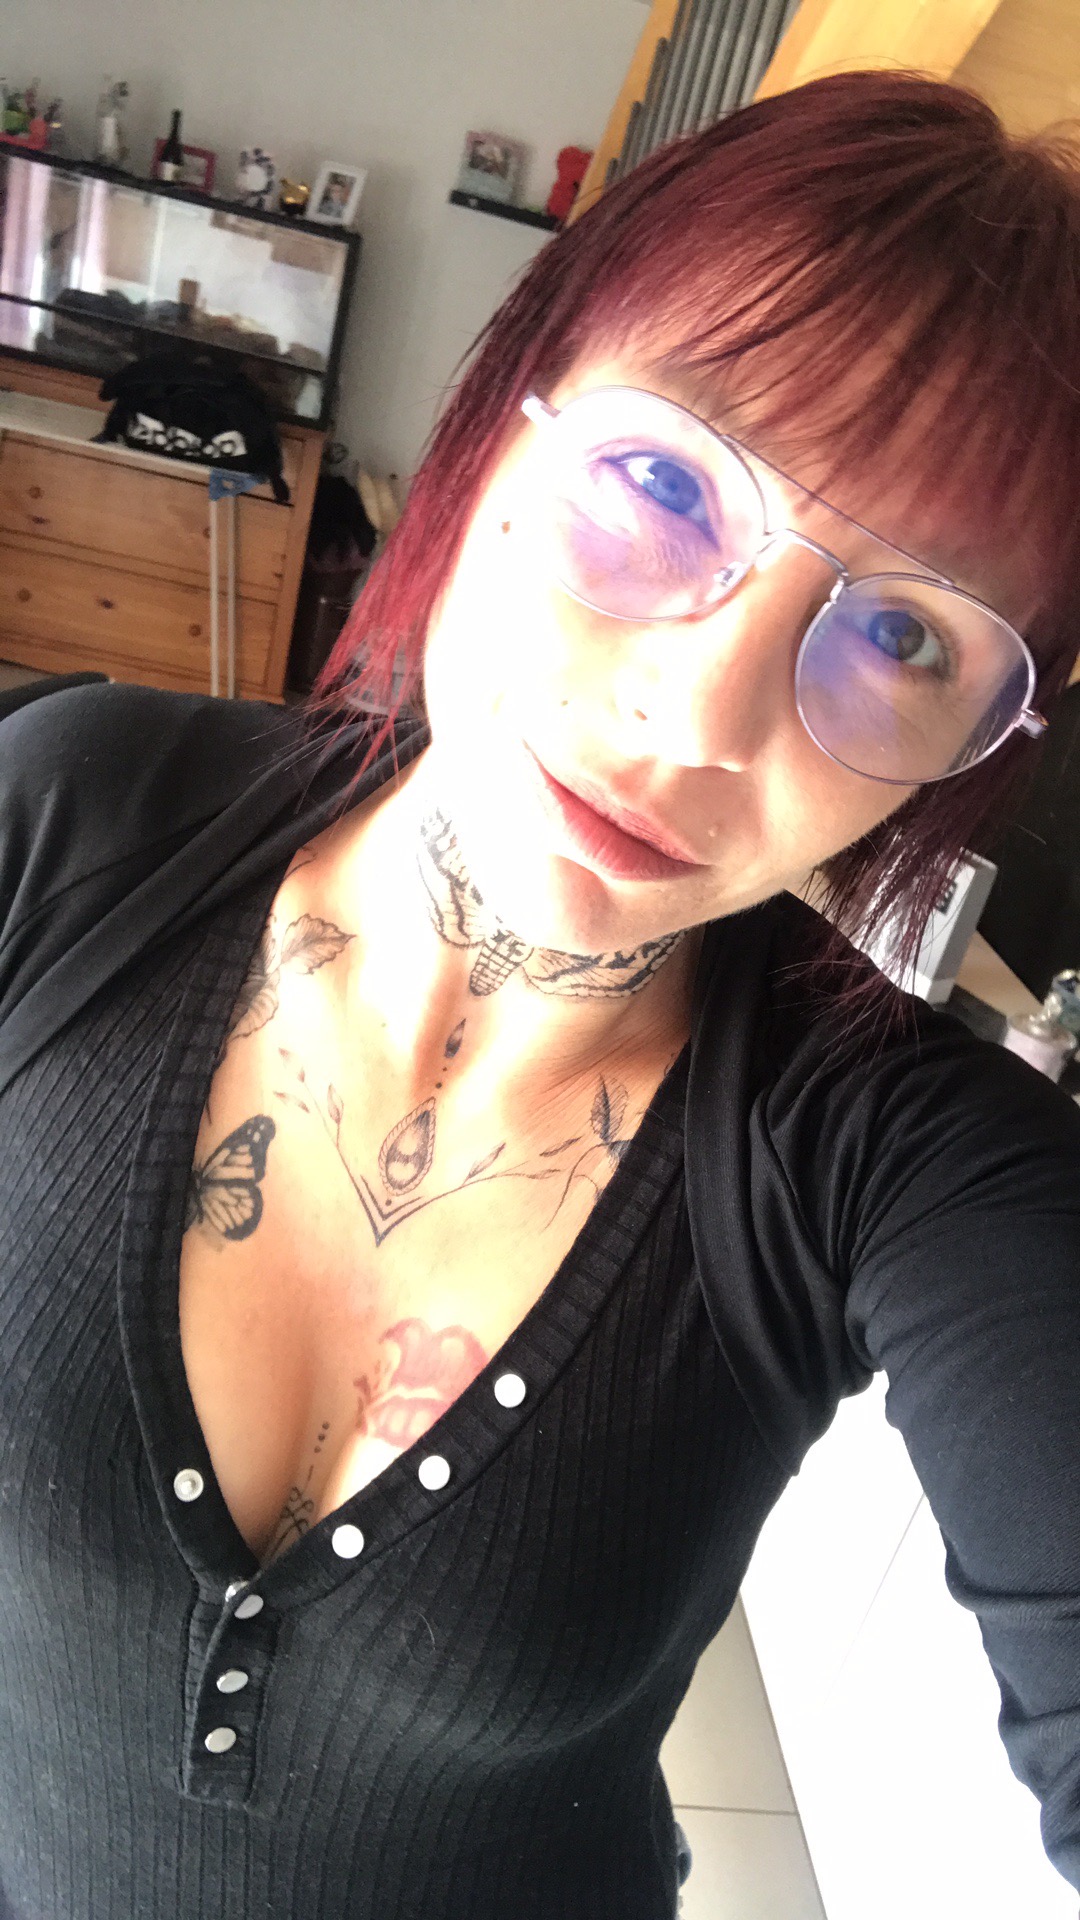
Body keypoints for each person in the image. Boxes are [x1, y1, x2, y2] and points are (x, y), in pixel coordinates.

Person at [1, 68, 1079, 1920]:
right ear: (508, 416)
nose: (700, 716)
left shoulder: (896, 1158)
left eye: (906, 634)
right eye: (664, 483)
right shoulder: (68, 817)